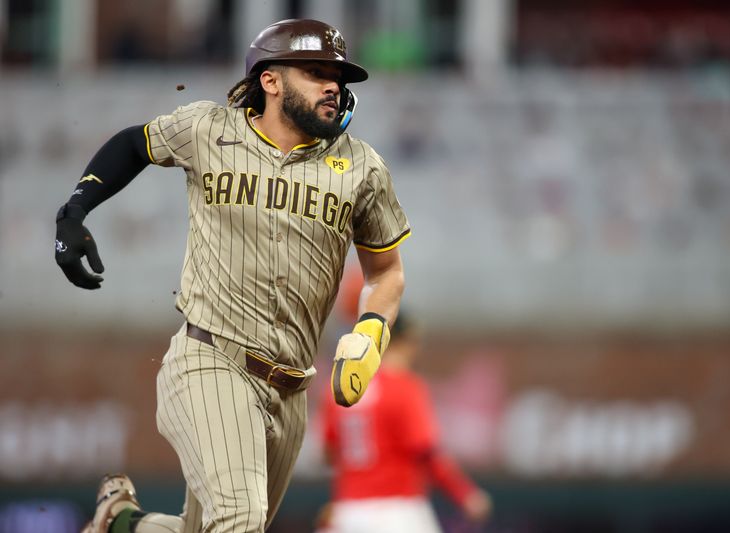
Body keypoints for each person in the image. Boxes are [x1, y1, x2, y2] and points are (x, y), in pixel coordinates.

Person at [53, 18, 410, 533]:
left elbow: (386, 272)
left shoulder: (361, 166)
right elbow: (135, 144)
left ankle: (121, 522)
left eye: (339, 77)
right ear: (270, 80)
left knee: (212, 528)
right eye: (316, 71)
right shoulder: (209, 129)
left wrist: (372, 331)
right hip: (211, 360)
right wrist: (73, 211)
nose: (334, 85)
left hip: (290, 390)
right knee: (239, 518)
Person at [319, 311, 492, 533]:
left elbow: (327, 454)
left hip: (347, 513)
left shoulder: (338, 387)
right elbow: (427, 453)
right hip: (398, 513)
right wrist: (465, 494)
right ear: (401, 342)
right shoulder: (404, 387)